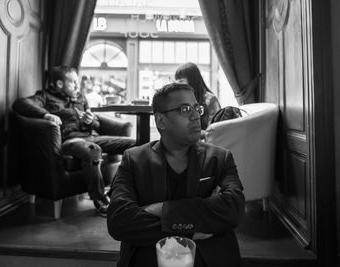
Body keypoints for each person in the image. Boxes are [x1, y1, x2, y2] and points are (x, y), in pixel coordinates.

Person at [107, 83, 245, 267]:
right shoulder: (134, 160)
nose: (196, 115)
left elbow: (233, 209)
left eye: (197, 108)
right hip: (150, 257)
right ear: (161, 121)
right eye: (185, 109)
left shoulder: (220, 158)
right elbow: (119, 221)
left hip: (208, 258)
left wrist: (162, 210)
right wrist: (191, 229)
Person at [13, 66, 136, 217]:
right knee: (93, 150)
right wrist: (45, 115)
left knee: (134, 145)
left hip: (91, 137)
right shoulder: (45, 96)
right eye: (73, 82)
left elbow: (96, 124)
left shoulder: (80, 97)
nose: (78, 86)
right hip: (69, 141)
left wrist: (90, 121)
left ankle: (114, 193)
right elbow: (20, 104)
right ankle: (100, 199)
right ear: (59, 84)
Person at [175, 62, 221, 135]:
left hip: (204, 144)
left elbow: (213, 131)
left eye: (181, 81)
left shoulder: (210, 100)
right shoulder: (180, 100)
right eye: (176, 82)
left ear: (193, 81)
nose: (177, 85)